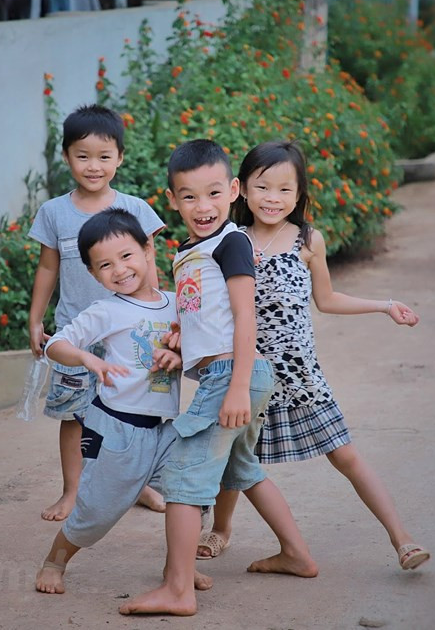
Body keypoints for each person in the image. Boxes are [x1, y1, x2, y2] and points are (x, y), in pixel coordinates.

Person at [195, 140, 430, 571]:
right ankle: (222, 531)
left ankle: (403, 539)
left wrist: (383, 305)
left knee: (346, 455)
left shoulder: (308, 239)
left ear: (300, 194)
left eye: (286, 190)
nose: (273, 198)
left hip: (302, 376)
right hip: (249, 375)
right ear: (242, 189)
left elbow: (327, 298)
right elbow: (207, 307)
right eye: (263, 187)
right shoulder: (230, 241)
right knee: (236, 458)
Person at [119, 140, 317, 618]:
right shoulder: (192, 249)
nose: (201, 206)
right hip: (229, 373)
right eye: (188, 196)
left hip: (235, 375)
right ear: (171, 199)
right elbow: (205, 316)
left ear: (233, 191)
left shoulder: (231, 242)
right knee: (240, 470)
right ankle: (297, 555)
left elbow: (245, 317)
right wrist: (179, 346)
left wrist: (233, 386)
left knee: (183, 475)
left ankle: (177, 588)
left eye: (212, 193)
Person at [35, 208, 201, 595]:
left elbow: (200, 343)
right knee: (96, 512)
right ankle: (54, 562)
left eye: (126, 256)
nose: (120, 269)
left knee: (190, 492)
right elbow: (56, 345)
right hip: (116, 429)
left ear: (147, 249)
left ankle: (177, 570)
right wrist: (88, 358)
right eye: (105, 265)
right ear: (94, 275)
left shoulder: (177, 302)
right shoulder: (107, 310)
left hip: (162, 428)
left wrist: (180, 354)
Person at [27, 104, 166, 522]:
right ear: (67, 156)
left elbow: (151, 265)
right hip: (77, 334)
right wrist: (36, 320)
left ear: (120, 157)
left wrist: (159, 318)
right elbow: (48, 267)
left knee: (135, 413)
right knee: (74, 416)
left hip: (130, 333)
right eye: (82, 156)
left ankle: (137, 484)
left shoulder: (136, 209)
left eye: (104, 156)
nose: (93, 166)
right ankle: (73, 492)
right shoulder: (54, 212)